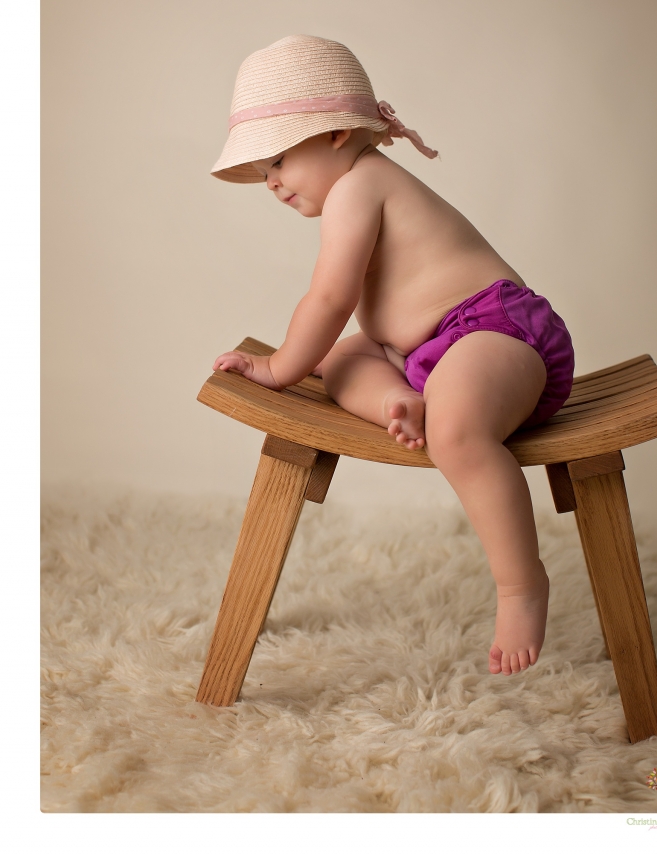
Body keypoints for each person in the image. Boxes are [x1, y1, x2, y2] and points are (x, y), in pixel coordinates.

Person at [210, 35, 574, 676]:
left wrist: (279, 368)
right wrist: (327, 361)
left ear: (334, 135)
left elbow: (331, 297)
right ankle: (398, 400)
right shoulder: (351, 186)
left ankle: (521, 584)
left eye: (279, 159)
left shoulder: (361, 184)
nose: (270, 181)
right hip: (417, 354)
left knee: (452, 432)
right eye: (263, 169)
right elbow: (344, 322)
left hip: (496, 334)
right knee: (343, 362)